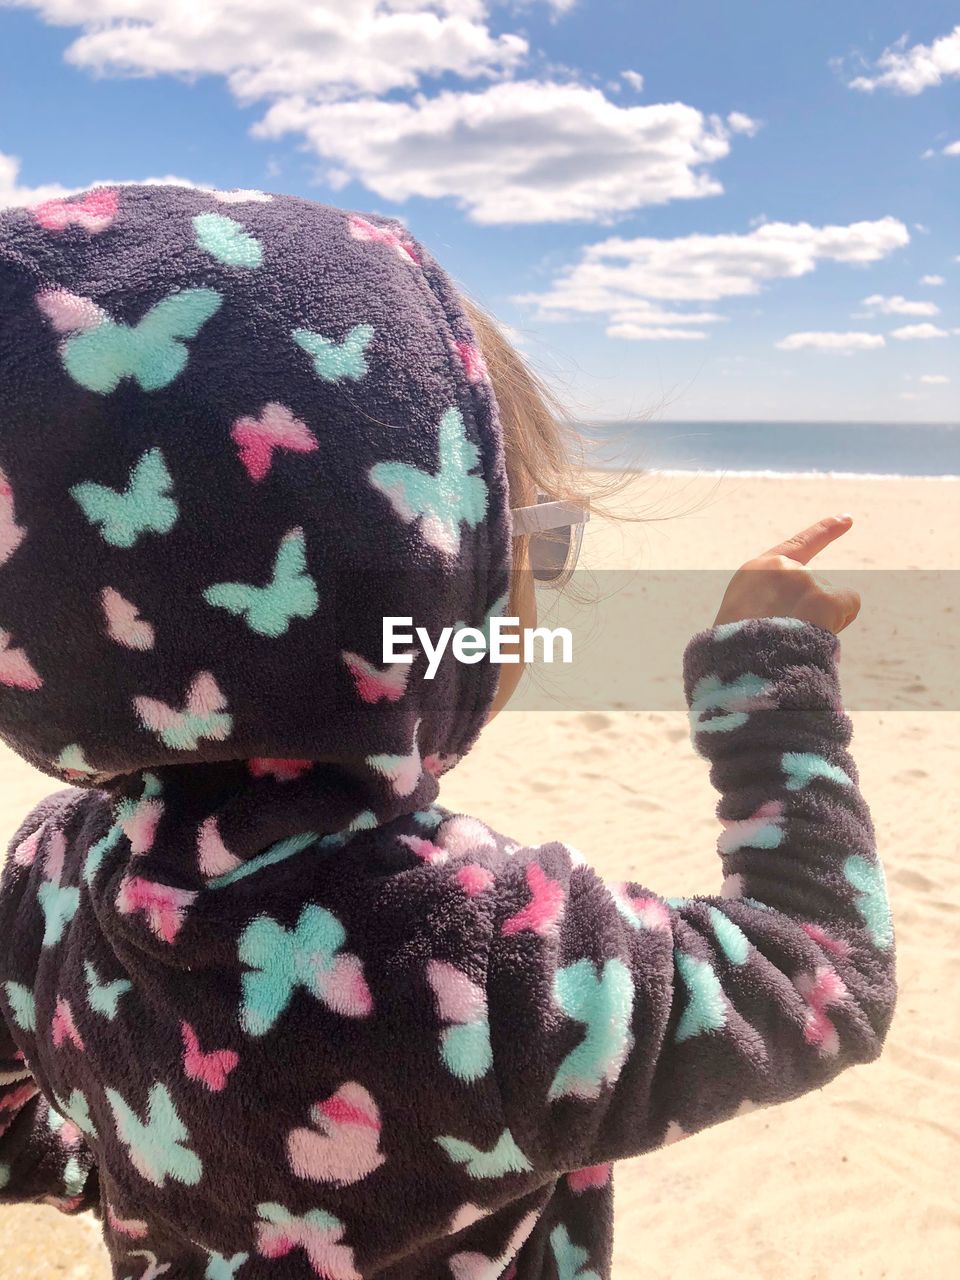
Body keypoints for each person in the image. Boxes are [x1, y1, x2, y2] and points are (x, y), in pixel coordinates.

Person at [0, 185, 895, 1279]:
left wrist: (121, 1173)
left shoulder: (49, 876)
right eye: (527, 555)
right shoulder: (498, 962)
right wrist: (770, 681)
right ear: (426, 605)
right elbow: (823, 972)